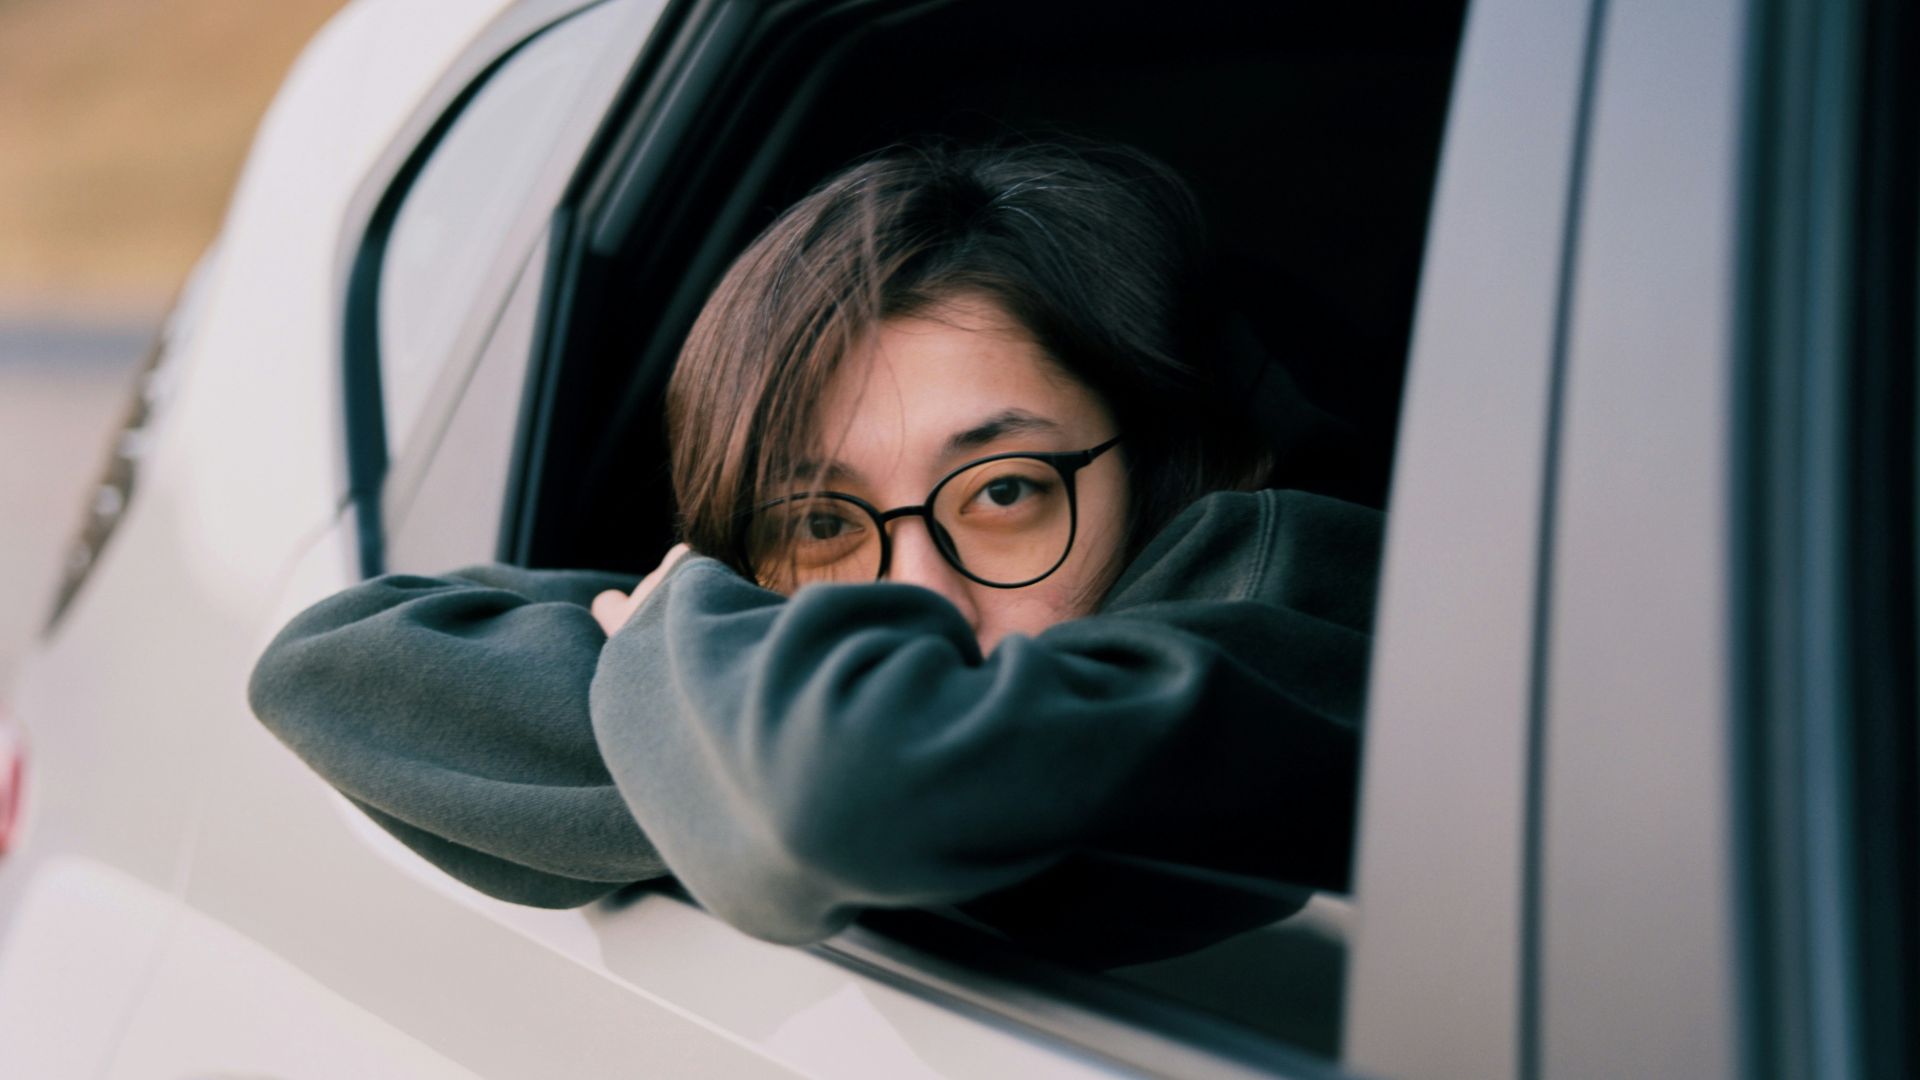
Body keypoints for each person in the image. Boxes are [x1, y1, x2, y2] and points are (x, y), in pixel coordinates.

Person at [249, 140, 1382, 967]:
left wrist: (676, 661)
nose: (924, 600)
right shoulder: (866, 681)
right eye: (822, 526)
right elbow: (332, 665)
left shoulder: (1297, 605)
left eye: (1002, 493)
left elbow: (836, 796)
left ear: (1168, 468)